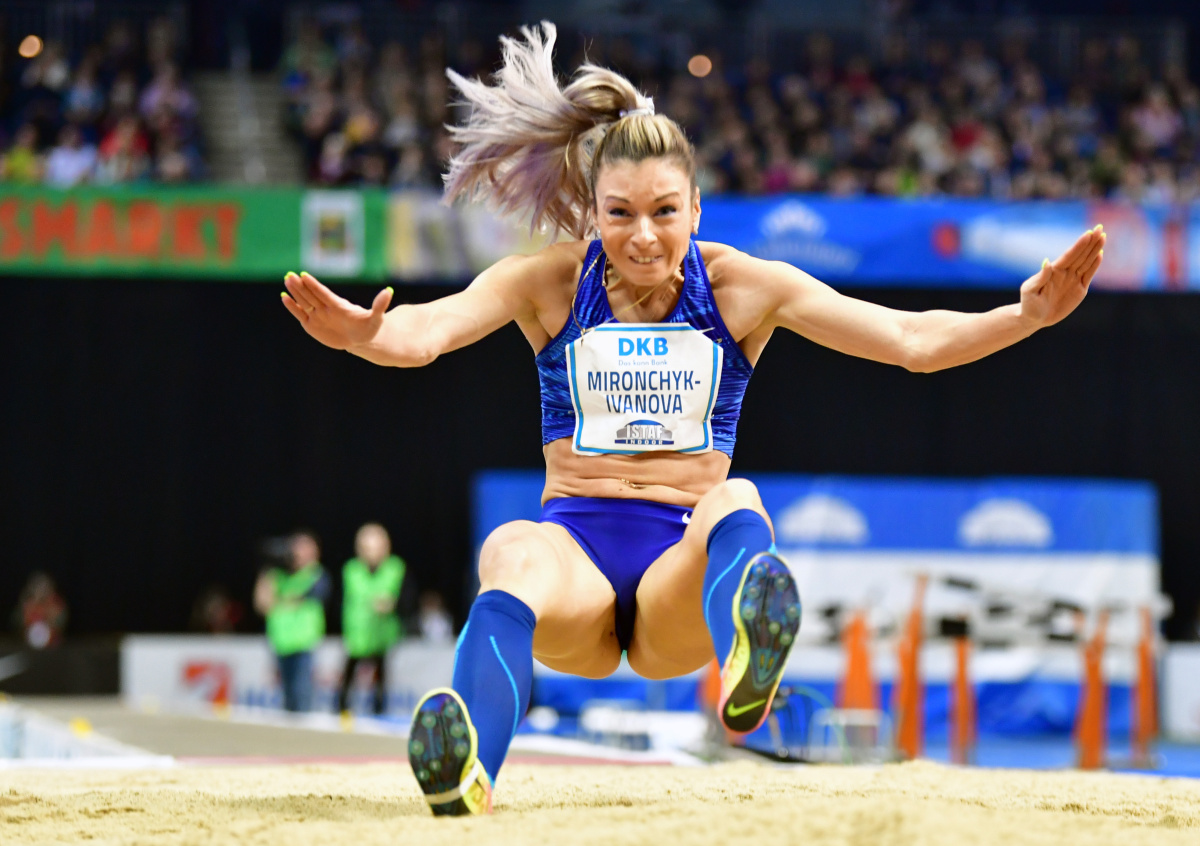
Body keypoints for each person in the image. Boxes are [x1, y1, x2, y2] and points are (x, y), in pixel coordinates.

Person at [281, 23, 1106, 815]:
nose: (643, 237)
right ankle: (467, 773)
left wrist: (1023, 317)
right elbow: (425, 334)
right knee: (508, 550)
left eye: (665, 212)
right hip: (576, 568)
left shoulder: (741, 287)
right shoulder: (550, 283)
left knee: (736, 498)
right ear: (592, 212)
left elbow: (910, 341)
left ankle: (747, 661)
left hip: (680, 576)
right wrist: (364, 336)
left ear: (698, 207)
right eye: (619, 214)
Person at [254, 530, 330, 712]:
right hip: (281, 643)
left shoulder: (316, 575)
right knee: (288, 698)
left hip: (304, 645)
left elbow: (312, 595)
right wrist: (267, 569)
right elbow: (262, 604)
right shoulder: (278, 576)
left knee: (301, 694)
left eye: (305, 548)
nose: (298, 553)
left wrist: (283, 601)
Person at [337, 522, 406, 715]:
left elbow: (406, 599)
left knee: (381, 679)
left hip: (382, 635)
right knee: (348, 677)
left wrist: (392, 605)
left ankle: (379, 712)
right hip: (357, 635)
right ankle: (342, 711)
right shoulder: (351, 569)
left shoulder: (395, 568)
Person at [12, 572, 68, 649]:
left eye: (45, 587)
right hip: (29, 644)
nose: (41, 589)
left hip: (52, 645)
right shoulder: (27, 602)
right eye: (38, 586)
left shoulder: (56, 603)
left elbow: (60, 623)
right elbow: (17, 623)